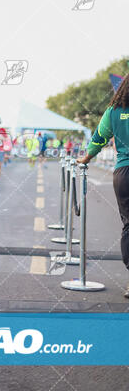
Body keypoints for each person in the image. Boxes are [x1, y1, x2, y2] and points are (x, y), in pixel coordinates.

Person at [77, 73, 129, 298]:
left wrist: (85, 158)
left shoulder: (113, 112)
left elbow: (98, 138)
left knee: (128, 225)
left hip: (124, 173)